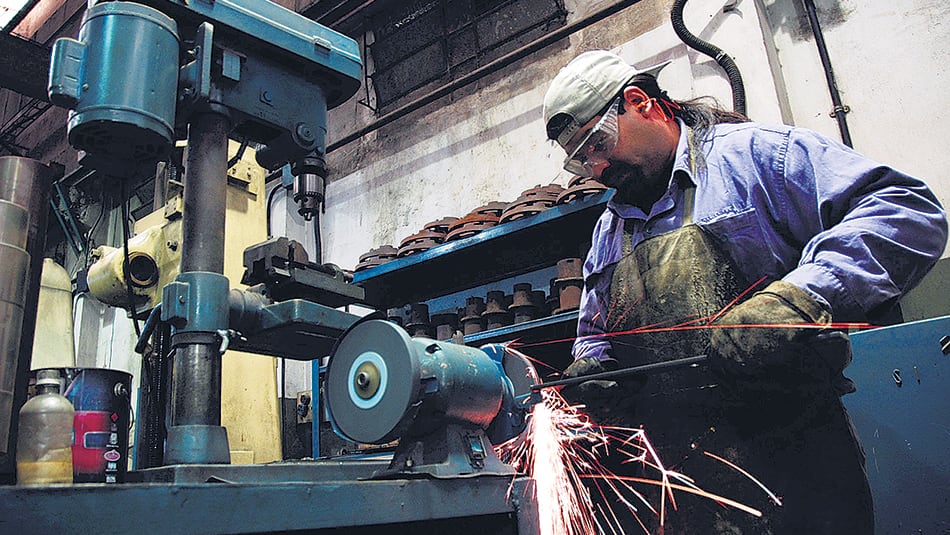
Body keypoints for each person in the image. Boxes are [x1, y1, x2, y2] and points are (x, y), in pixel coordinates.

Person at [543, 50, 947, 534]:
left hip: (796, 472)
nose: (598, 165)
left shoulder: (757, 157)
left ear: (641, 103)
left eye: (599, 142)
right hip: (680, 486)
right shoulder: (609, 231)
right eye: (581, 159)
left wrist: (801, 297)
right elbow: (596, 332)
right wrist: (595, 368)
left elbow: (905, 210)